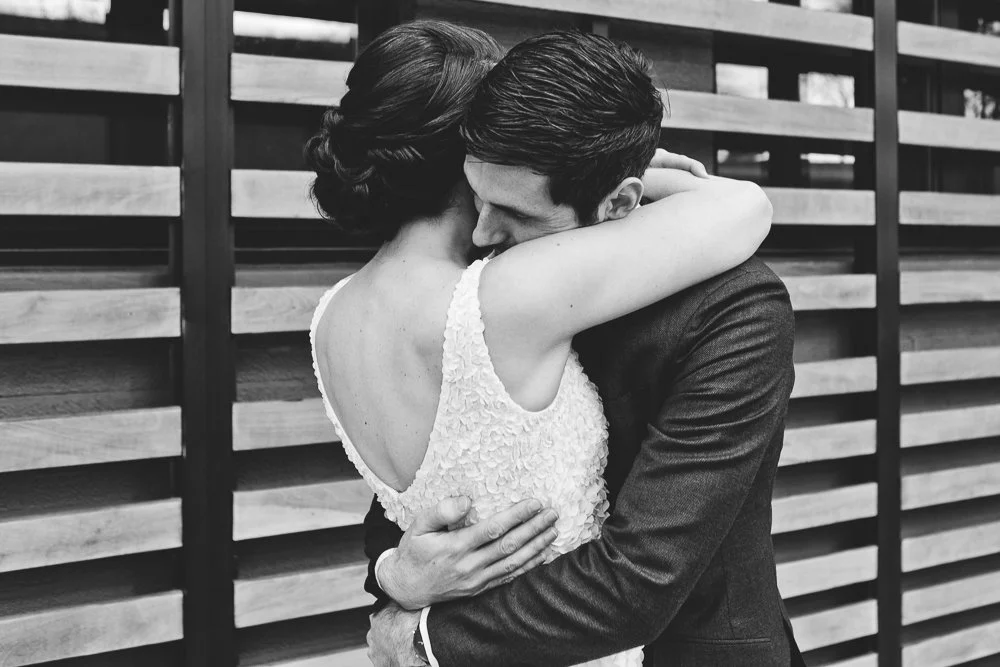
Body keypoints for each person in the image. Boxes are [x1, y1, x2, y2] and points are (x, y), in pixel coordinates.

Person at [305, 21, 791, 667]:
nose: (485, 233)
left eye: (514, 209)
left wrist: (422, 638)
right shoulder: (489, 295)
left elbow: (643, 574)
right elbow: (427, 492)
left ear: (618, 201)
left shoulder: (734, 305)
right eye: (480, 193)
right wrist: (396, 571)